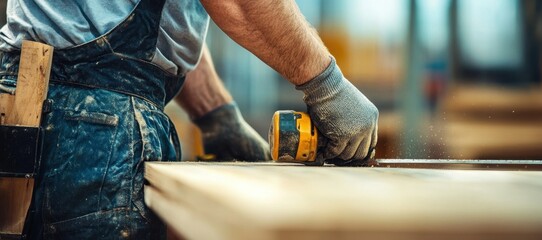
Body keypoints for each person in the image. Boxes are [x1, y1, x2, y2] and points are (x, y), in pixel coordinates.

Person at [0, 0, 378, 239]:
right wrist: (328, 86)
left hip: (58, 99)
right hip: (92, 119)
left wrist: (217, 114)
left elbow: (160, 24)